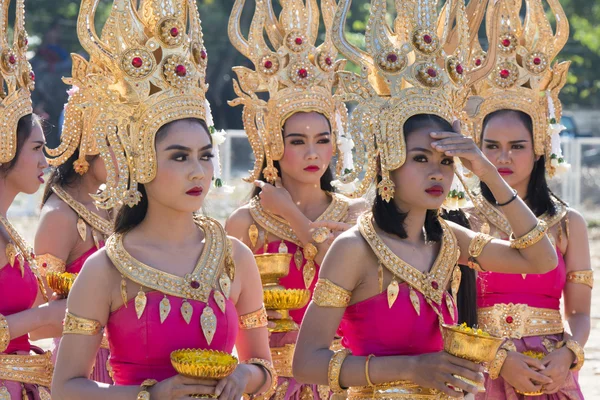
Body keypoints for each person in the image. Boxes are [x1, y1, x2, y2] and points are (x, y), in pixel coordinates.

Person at [293, 0, 558, 398]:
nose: (438, 172)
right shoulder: (355, 249)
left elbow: (541, 259)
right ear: (389, 161)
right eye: (420, 158)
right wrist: (414, 369)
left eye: (447, 161)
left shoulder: (450, 240)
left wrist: (486, 171)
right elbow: (307, 363)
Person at [51, 1, 275, 399]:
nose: (198, 172)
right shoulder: (105, 268)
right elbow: (67, 387)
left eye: (205, 155)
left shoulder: (235, 257)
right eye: (179, 157)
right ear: (139, 163)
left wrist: (245, 377)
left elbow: (263, 366)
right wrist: (150, 396)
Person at [226, 1, 367, 397]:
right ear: (274, 144)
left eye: (323, 140)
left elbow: (346, 278)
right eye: (297, 141)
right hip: (265, 383)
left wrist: (289, 212)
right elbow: (226, 315)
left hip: (341, 381)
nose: (312, 154)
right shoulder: (244, 224)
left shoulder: (356, 215)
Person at [461, 0, 590, 397]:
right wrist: (500, 361)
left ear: (539, 149)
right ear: (475, 149)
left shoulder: (568, 225)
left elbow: (580, 312)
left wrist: (568, 353)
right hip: (480, 373)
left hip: (550, 374)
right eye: (492, 147)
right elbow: (446, 315)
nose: (503, 158)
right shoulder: (457, 220)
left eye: (517, 146)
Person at [0, 1, 66, 397]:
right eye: (37, 149)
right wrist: (49, 312)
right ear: (6, 148)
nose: (47, 159)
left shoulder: (8, 229)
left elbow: (38, 323)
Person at [35, 61, 116, 384]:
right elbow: (41, 320)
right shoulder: (58, 218)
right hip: (83, 370)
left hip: (128, 364)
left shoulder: (114, 205)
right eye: (115, 146)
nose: (126, 158)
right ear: (88, 146)